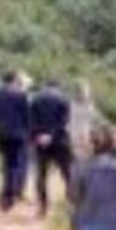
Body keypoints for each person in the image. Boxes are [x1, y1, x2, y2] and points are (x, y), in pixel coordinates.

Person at [0, 71, 32, 211]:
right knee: (14, 164)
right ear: (14, 80)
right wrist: (28, 133)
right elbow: (27, 117)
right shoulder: (20, 95)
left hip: (1, 134)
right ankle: (9, 195)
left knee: (8, 163)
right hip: (17, 134)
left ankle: (6, 191)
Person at [30, 78, 74, 217]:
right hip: (60, 141)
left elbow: (31, 120)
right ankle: (71, 203)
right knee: (67, 173)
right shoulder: (64, 99)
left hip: (40, 142)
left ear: (45, 85)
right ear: (58, 87)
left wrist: (38, 135)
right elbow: (64, 122)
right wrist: (51, 135)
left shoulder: (36, 100)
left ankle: (42, 206)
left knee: (41, 174)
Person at [67, 80, 103, 164]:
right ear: (77, 93)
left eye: (87, 92)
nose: (85, 95)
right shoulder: (71, 105)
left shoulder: (90, 106)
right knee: (76, 159)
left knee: (86, 159)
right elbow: (67, 121)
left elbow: (96, 119)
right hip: (74, 136)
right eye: (83, 92)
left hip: (86, 136)